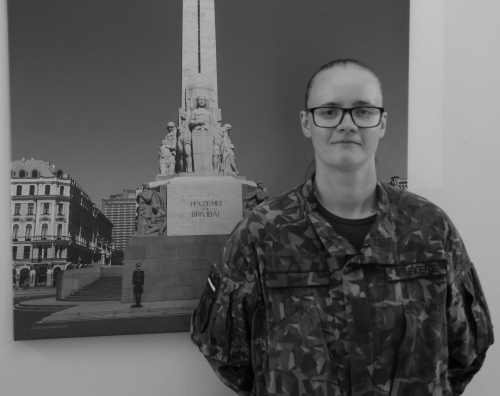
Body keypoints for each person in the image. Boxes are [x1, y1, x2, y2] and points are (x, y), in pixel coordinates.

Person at [191, 59, 494, 396]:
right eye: (329, 111)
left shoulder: (432, 229)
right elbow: (229, 359)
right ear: (307, 122)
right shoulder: (260, 234)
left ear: (382, 123)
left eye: (363, 111)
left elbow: (465, 353)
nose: (347, 124)